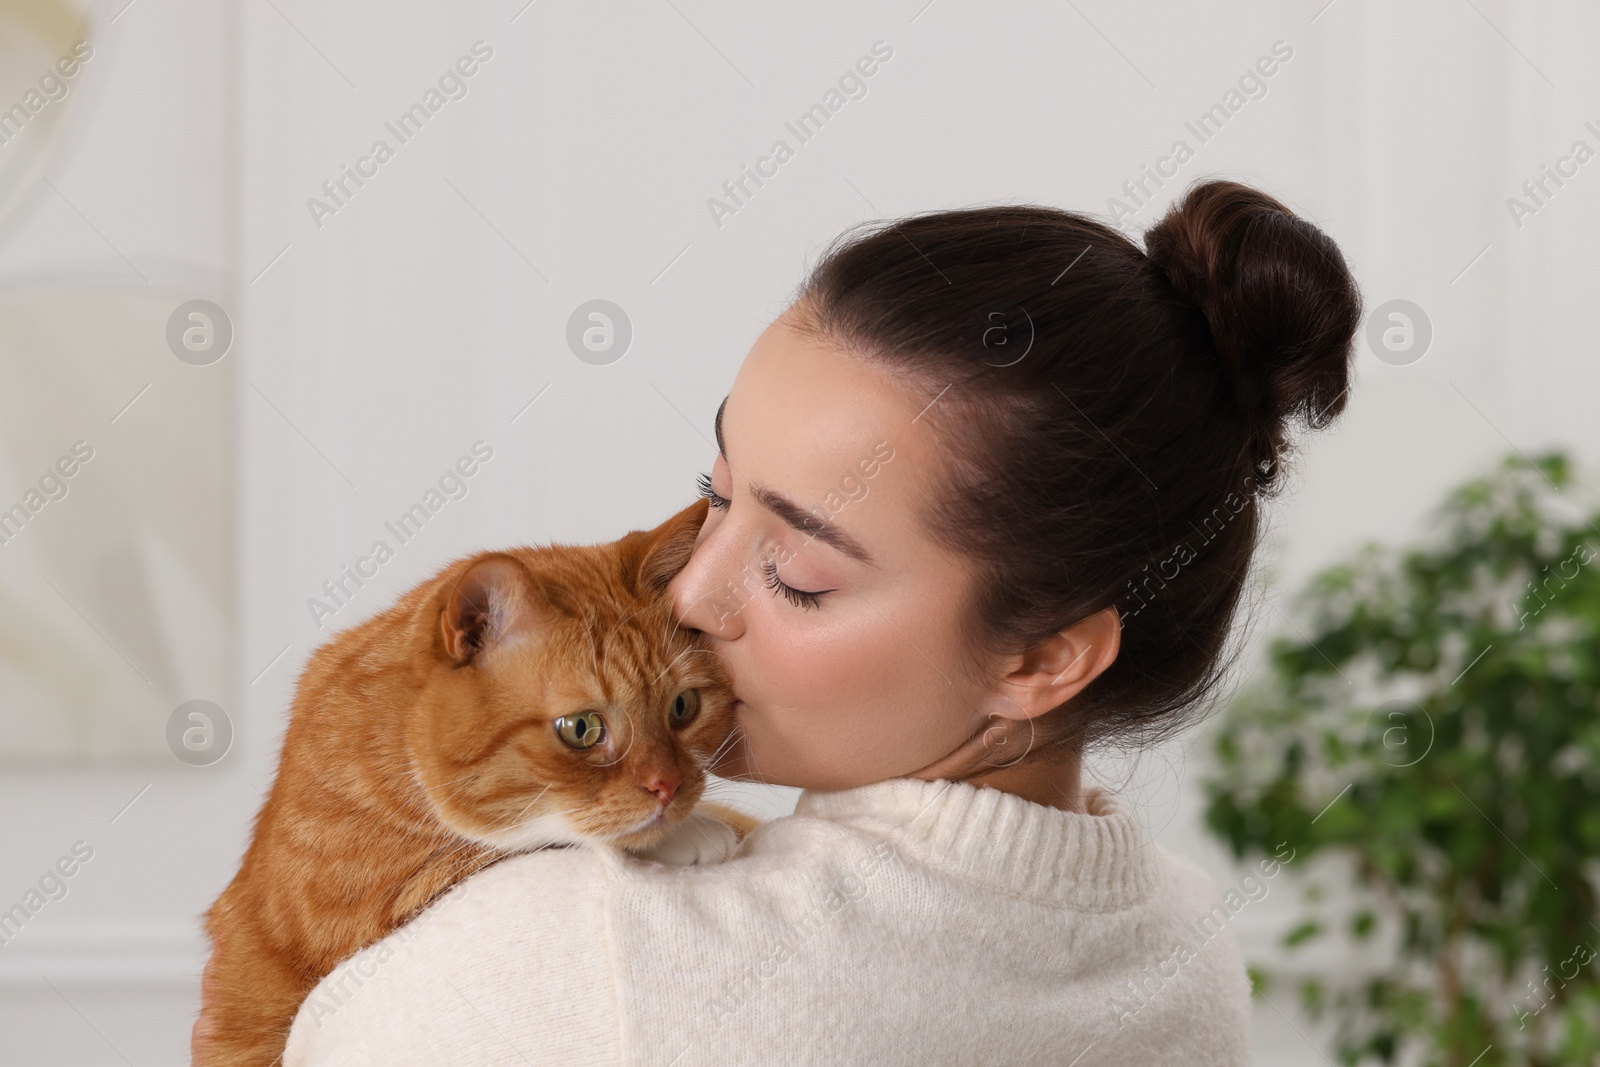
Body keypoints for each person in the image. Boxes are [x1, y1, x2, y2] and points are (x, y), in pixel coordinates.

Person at [262, 178, 1361, 1065]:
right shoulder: (1183, 946)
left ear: (1040, 657)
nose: (690, 596)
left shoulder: (600, 959)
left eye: (791, 570)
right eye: (717, 493)